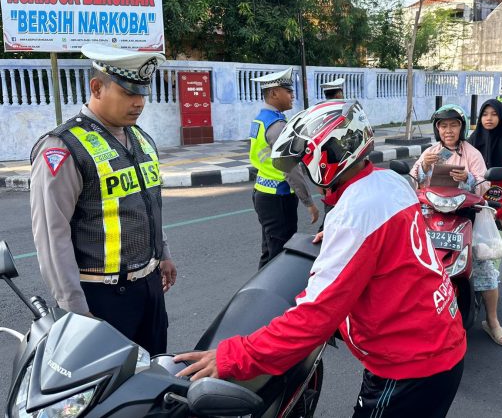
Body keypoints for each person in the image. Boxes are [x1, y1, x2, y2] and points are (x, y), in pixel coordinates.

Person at [175, 101, 466, 418]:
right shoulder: (386, 182)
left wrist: (233, 356)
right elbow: (391, 239)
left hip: (409, 366)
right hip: (439, 340)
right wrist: (347, 241)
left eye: (303, 159)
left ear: (325, 156)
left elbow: (314, 316)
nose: (303, 169)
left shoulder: (355, 214)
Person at [29, 44, 177, 355]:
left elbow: (147, 204)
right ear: (97, 88)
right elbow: (52, 237)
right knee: (107, 397)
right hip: (100, 298)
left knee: (153, 377)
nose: (139, 102)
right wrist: (75, 311)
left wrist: (162, 253)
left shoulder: (139, 138)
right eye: (127, 93)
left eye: (142, 93)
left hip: (148, 289)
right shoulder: (64, 148)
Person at [249, 68, 319, 268]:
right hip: (278, 197)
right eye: (288, 91)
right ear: (273, 94)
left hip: (263, 192)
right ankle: (270, 296)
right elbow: (290, 169)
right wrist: (308, 202)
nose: (292, 95)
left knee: (270, 251)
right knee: (280, 257)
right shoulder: (277, 126)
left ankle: (259, 294)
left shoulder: (261, 120)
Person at [467, 99, 502, 347]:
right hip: (463, 207)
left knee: (489, 263)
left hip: (492, 210)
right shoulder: (467, 145)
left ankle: (492, 320)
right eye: (484, 114)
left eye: (493, 114)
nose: (488, 118)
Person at [409, 104, 487, 193]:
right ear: (437, 129)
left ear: (462, 129)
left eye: (453, 125)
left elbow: (484, 185)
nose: (448, 131)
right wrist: (425, 166)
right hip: (432, 203)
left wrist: (467, 178)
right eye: (444, 126)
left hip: (463, 204)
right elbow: (413, 180)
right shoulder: (430, 152)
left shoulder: (473, 154)